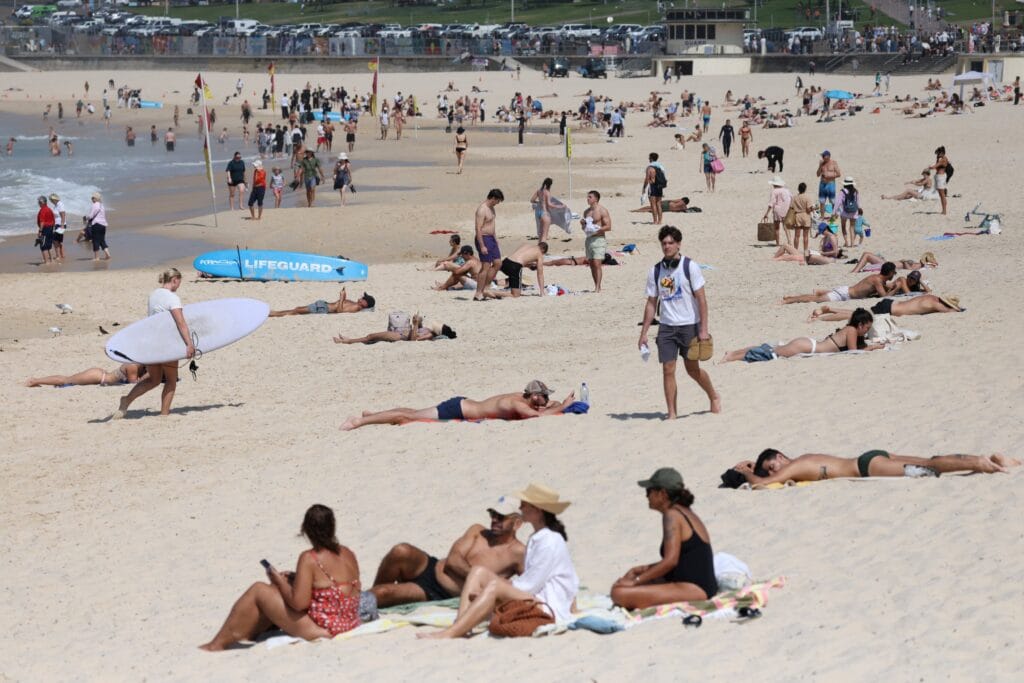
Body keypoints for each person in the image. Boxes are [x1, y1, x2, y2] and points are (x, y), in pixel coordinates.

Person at [417, 483, 578, 638]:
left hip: (547, 606)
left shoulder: (549, 541)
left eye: (524, 504)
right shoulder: (539, 537)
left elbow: (531, 585)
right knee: (477, 571)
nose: (520, 508)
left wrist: (501, 586)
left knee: (494, 586)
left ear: (537, 510)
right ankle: (460, 624)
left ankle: (451, 633)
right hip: (537, 596)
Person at [199, 504, 361, 650]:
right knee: (278, 588)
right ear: (333, 527)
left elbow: (299, 603)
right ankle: (249, 633)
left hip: (324, 629)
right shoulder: (347, 553)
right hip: (349, 622)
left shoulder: (309, 558)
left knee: (259, 589)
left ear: (306, 530)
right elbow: (334, 585)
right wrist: (295, 577)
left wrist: (277, 579)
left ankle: (216, 644)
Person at [371, 500, 526, 607]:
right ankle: (371, 602)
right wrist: (479, 576)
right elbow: (453, 560)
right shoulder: (478, 530)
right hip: (432, 566)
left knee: (382, 592)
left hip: (438, 592)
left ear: (517, 523)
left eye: (501, 517)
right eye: (493, 514)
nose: (494, 520)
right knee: (401, 550)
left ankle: (369, 600)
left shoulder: (518, 553)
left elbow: (530, 583)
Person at [639, 225, 721, 420]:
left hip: (689, 325)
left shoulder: (689, 266)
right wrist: (643, 333)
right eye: (664, 243)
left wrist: (703, 329)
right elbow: (651, 303)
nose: (667, 246)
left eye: (670, 243)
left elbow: (701, 299)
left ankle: (713, 395)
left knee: (692, 370)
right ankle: (672, 413)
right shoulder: (655, 271)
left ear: (678, 244)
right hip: (666, 327)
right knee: (668, 369)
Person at [611, 468, 717, 608]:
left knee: (619, 593)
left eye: (649, 491)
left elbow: (670, 561)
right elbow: (683, 559)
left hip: (695, 588)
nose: (646, 496)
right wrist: (641, 569)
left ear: (662, 493)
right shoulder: (685, 512)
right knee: (629, 579)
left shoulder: (672, 515)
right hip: (701, 584)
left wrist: (636, 581)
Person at [113, 268, 195, 419]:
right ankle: (164, 414)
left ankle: (126, 400)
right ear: (175, 280)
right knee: (170, 380)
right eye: (179, 283)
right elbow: (180, 322)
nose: (178, 286)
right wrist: (189, 344)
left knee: (154, 379)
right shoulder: (172, 298)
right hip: (166, 344)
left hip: (151, 343)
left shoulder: (153, 294)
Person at [340, 380, 575, 430]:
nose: (546, 400)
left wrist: (553, 404)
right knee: (406, 417)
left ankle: (373, 414)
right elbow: (536, 416)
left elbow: (538, 408)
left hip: (462, 404)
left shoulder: (521, 397)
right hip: (457, 410)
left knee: (411, 412)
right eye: (544, 397)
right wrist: (563, 406)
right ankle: (361, 421)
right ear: (535, 397)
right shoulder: (516, 403)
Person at [732, 449, 1019, 486]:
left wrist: (743, 471)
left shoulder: (796, 465)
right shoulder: (806, 458)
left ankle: (980, 464)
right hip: (869, 457)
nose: (774, 472)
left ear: (782, 456)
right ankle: (992, 459)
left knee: (930, 469)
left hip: (867, 467)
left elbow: (759, 485)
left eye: (772, 465)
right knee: (927, 461)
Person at [720, 308, 885, 362]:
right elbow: (853, 351)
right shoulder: (851, 331)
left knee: (771, 349)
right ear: (861, 324)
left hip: (808, 344)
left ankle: (733, 353)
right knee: (768, 354)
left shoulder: (850, 329)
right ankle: (731, 357)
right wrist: (874, 348)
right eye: (867, 327)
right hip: (807, 346)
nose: (866, 331)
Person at [782, 263, 898, 303]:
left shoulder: (878, 279)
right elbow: (884, 297)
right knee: (815, 299)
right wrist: (896, 289)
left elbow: (885, 288)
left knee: (816, 297)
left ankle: (792, 297)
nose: (894, 275)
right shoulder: (877, 280)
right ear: (890, 272)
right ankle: (789, 300)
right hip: (843, 294)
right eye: (894, 273)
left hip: (845, 292)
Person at [810, 293, 963, 321]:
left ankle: (829, 310)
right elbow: (951, 311)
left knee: (859, 313)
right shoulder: (936, 304)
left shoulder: (931, 297)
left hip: (891, 303)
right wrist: (958, 309)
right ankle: (826, 314)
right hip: (890, 310)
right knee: (855, 315)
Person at [333, 313, 456, 344]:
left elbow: (414, 340)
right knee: (372, 338)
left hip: (400, 337)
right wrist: (418, 321)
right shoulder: (429, 331)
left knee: (371, 336)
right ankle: (349, 340)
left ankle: (347, 341)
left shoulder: (430, 335)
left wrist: (415, 324)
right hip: (401, 333)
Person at [473, 189, 504, 302]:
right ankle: (478, 293)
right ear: (493, 198)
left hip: (491, 239)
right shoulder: (482, 210)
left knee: (498, 263)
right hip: (484, 238)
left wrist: (496, 241)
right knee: (485, 267)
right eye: (498, 201)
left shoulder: (492, 208)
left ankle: (486, 287)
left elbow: (492, 225)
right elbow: (478, 228)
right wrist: (482, 245)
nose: (498, 203)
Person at [269, 288, 375, 317]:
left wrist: (342, 297)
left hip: (323, 308)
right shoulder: (355, 304)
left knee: (297, 310)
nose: (361, 297)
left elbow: (339, 311)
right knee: (297, 309)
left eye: (363, 298)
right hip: (323, 305)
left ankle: (275, 314)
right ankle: (276, 313)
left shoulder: (357, 307)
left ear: (365, 304)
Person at [27, 363, 144, 388]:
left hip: (100, 375)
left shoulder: (135, 363)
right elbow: (133, 382)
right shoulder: (133, 366)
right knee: (66, 380)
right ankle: (35, 381)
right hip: (98, 376)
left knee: (67, 380)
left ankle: (37, 381)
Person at [764, 177, 793, 246]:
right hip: (786, 210)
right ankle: (789, 242)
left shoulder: (774, 191)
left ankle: (777, 243)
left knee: (777, 228)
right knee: (786, 227)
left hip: (777, 211)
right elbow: (792, 199)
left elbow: (771, 203)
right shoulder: (787, 190)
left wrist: (766, 213)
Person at [850, 251, 937, 273]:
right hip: (887, 263)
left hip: (888, 265)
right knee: (867, 254)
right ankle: (855, 270)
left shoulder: (919, 266)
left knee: (867, 255)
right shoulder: (918, 264)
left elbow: (909, 270)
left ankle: (854, 271)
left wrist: (904, 262)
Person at [788, 182, 814, 252]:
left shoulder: (794, 198)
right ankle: (805, 250)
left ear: (798, 189)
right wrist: (813, 209)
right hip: (805, 216)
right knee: (805, 236)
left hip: (797, 216)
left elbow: (791, 208)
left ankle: (795, 250)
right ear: (805, 189)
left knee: (797, 236)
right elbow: (808, 210)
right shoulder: (807, 197)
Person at [85, 193, 111, 261]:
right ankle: (107, 254)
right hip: (103, 224)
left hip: (96, 224)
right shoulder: (102, 205)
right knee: (102, 240)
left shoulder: (94, 205)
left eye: (93, 198)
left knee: (95, 240)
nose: (92, 199)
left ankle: (97, 257)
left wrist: (86, 218)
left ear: (96, 198)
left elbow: (91, 216)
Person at [643, 153, 667, 224]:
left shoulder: (649, 168)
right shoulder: (660, 166)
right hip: (660, 186)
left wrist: (644, 188)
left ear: (651, 158)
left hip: (652, 186)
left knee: (653, 204)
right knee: (658, 204)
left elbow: (647, 179)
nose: (648, 159)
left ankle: (655, 221)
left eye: (649, 158)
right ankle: (660, 221)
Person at [836, 177, 860, 247]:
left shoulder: (842, 191)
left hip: (844, 212)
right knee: (852, 227)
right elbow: (858, 202)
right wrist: (858, 210)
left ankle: (846, 242)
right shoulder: (856, 191)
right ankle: (852, 244)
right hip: (853, 212)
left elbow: (838, 203)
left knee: (843, 227)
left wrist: (834, 212)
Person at [530, 177, 554, 242]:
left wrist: (538, 202)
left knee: (538, 226)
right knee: (545, 227)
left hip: (537, 210)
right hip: (544, 211)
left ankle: (539, 239)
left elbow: (532, 200)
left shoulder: (538, 191)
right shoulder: (547, 192)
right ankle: (543, 241)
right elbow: (549, 204)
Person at [928, 146, 951, 216]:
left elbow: (935, 166)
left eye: (938, 153)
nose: (937, 155)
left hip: (941, 177)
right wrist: (937, 158)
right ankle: (943, 210)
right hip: (939, 177)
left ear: (942, 153)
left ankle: (944, 210)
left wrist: (930, 167)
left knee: (942, 195)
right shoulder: (941, 158)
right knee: (941, 195)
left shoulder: (943, 159)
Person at [35, 196, 55, 264]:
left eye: (39, 202)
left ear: (42, 202)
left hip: (45, 229)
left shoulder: (43, 210)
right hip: (50, 228)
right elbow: (53, 220)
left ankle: (46, 262)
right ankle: (52, 260)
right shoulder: (49, 209)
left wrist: (40, 231)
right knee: (49, 245)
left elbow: (42, 222)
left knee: (43, 246)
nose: (38, 204)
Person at [630, 196, 697, 215]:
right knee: (650, 209)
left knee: (650, 208)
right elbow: (676, 210)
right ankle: (636, 210)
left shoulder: (681, 202)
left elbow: (672, 200)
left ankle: (636, 210)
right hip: (667, 207)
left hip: (667, 205)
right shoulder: (684, 207)